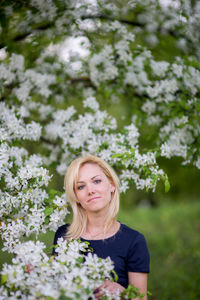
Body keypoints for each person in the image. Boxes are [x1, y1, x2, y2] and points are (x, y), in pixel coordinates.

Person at [52, 154, 150, 299]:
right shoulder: (64, 236)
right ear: (76, 196)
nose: (90, 190)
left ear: (111, 185)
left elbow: (140, 298)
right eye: (81, 186)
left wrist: (123, 294)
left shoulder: (134, 241)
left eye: (96, 181)